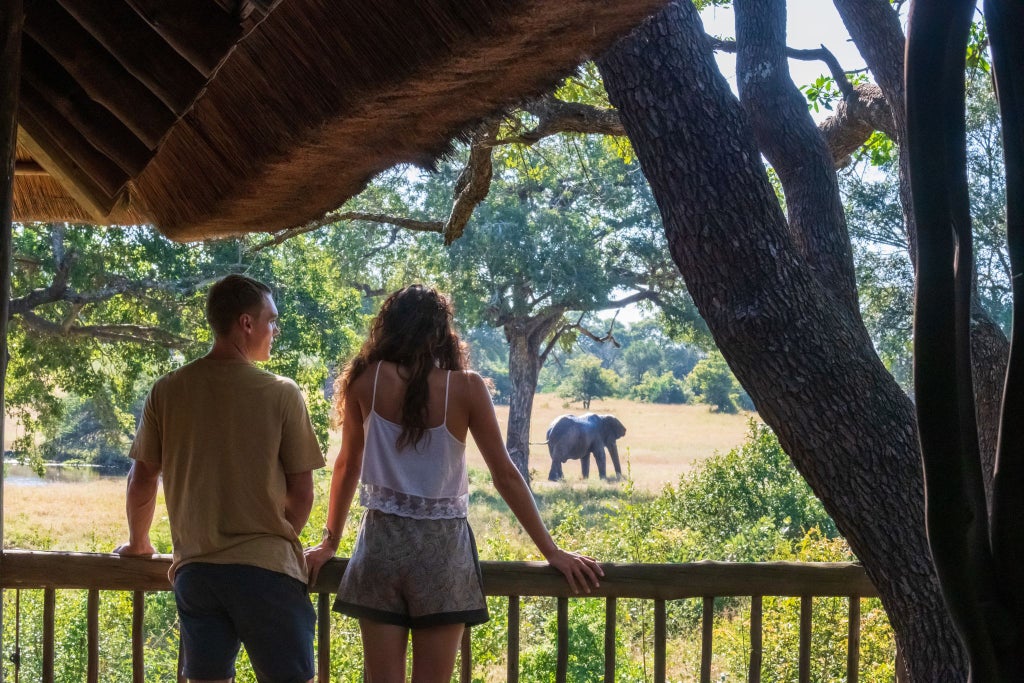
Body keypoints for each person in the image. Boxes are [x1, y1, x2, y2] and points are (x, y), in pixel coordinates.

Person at [304, 284, 602, 682]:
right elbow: (505, 476)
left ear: (388, 328)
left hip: (380, 545)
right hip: (443, 553)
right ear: (442, 332)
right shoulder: (467, 387)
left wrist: (330, 542)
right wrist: (551, 551)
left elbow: (346, 466)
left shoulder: (367, 379)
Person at [115, 274, 326, 683]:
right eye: (271, 320)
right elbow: (302, 491)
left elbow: (142, 480)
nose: (275, 329)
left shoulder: (168, 390)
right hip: (267, 573)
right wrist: (276, 539)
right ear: (246, 324)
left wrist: (139, 543)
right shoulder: (282, 392)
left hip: (198, 574)